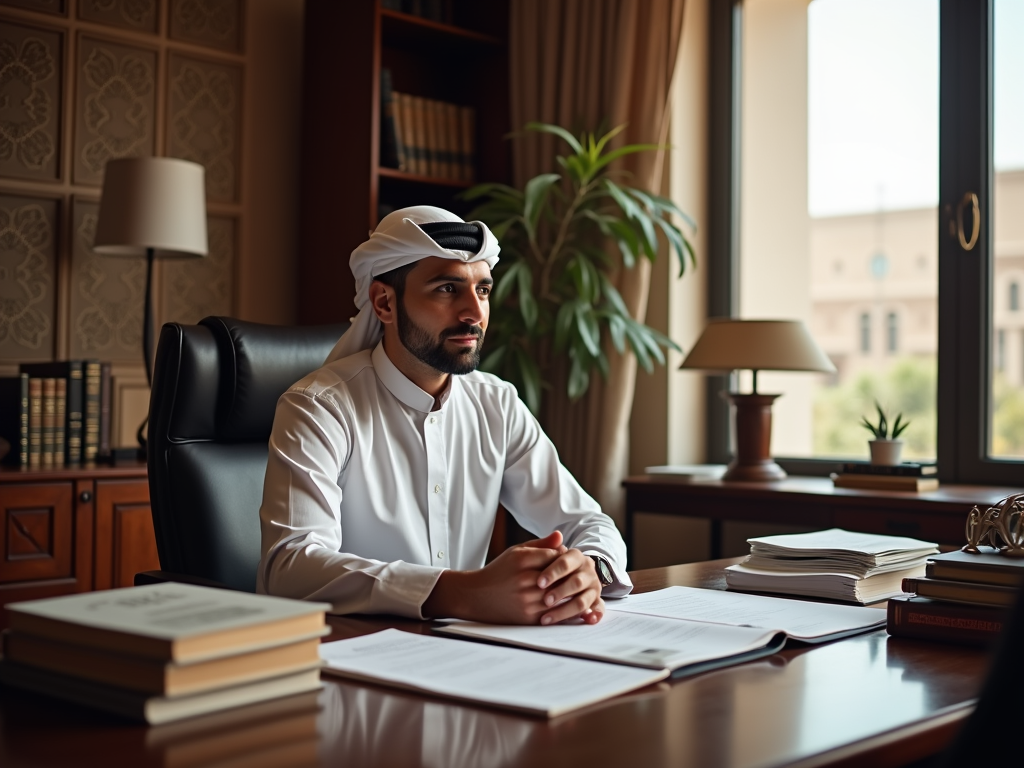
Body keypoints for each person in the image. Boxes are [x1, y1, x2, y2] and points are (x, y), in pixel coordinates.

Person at [258, 205, 631, 625]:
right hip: (353, 653)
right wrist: (463, 593)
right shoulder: (319, 407)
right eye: (447, 289)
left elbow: (586, 520)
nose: (474, 312)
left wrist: (586, 571)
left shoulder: (497, 404)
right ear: (384, 302)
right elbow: (289, 567)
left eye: (483, 290)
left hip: (475, 650)